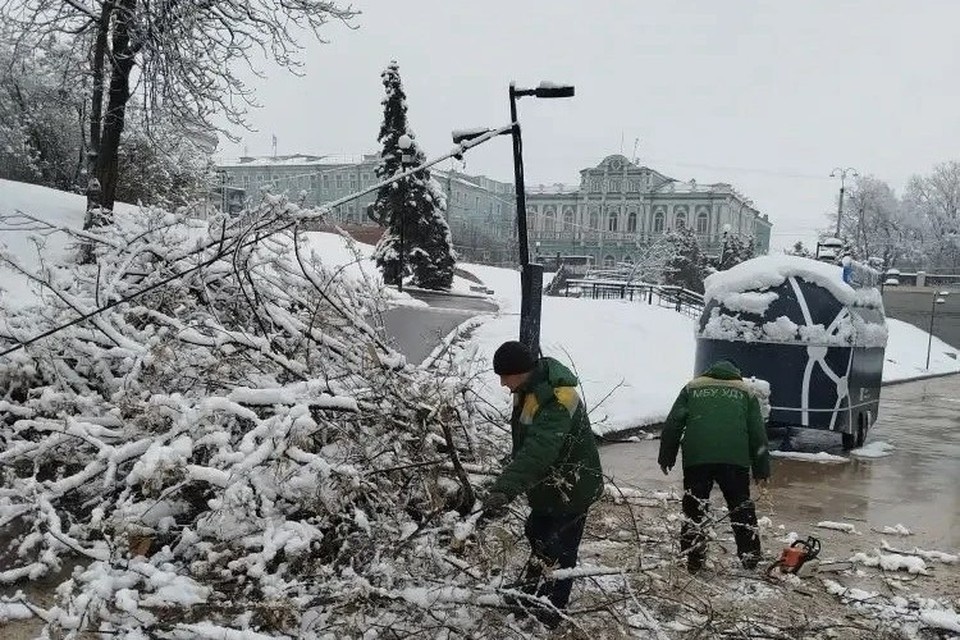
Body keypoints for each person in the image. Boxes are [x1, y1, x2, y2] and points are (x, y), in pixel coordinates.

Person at [482, 340, 603, 626]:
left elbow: (539, 450)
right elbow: (527, 444)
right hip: (550, 483)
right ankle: (533, 592)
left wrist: (504, 489)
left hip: (573, 484)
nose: (502, 383)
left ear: (520, 371)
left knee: (561, 548)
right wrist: (508, 475)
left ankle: (552, 610)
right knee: (536, 530)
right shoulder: (526, 390)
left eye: (504, 376)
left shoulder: (558, 399)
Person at [657, 359, 770, 573]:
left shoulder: (692, 387)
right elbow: (758, 434)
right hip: (734, 460)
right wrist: (761, 469)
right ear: (737, 372)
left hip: (697, 457)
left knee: (694, 507)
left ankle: (694, 559)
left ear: (708, 371)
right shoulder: (746, 392)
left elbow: (673, 424)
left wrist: (666, 456)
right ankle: (750, 558)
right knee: (740, 507)